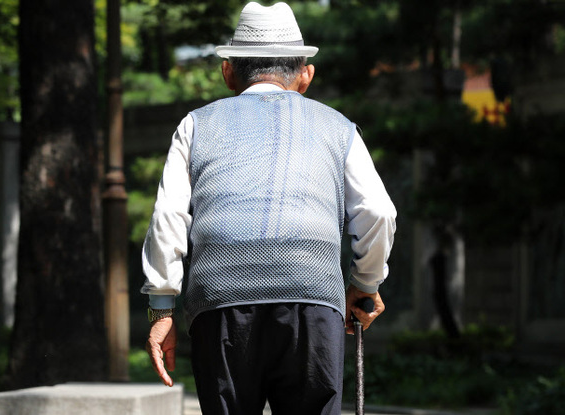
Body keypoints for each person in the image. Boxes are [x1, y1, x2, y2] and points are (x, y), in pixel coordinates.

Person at [141, 2, 397, 414]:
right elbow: (379, 213)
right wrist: (366, 283)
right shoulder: (339, 128)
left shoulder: (195, 124)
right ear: (305, 74)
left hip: (220, 298)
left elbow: (168, 216)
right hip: (312, 293)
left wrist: (162, 306)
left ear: (228, 72)